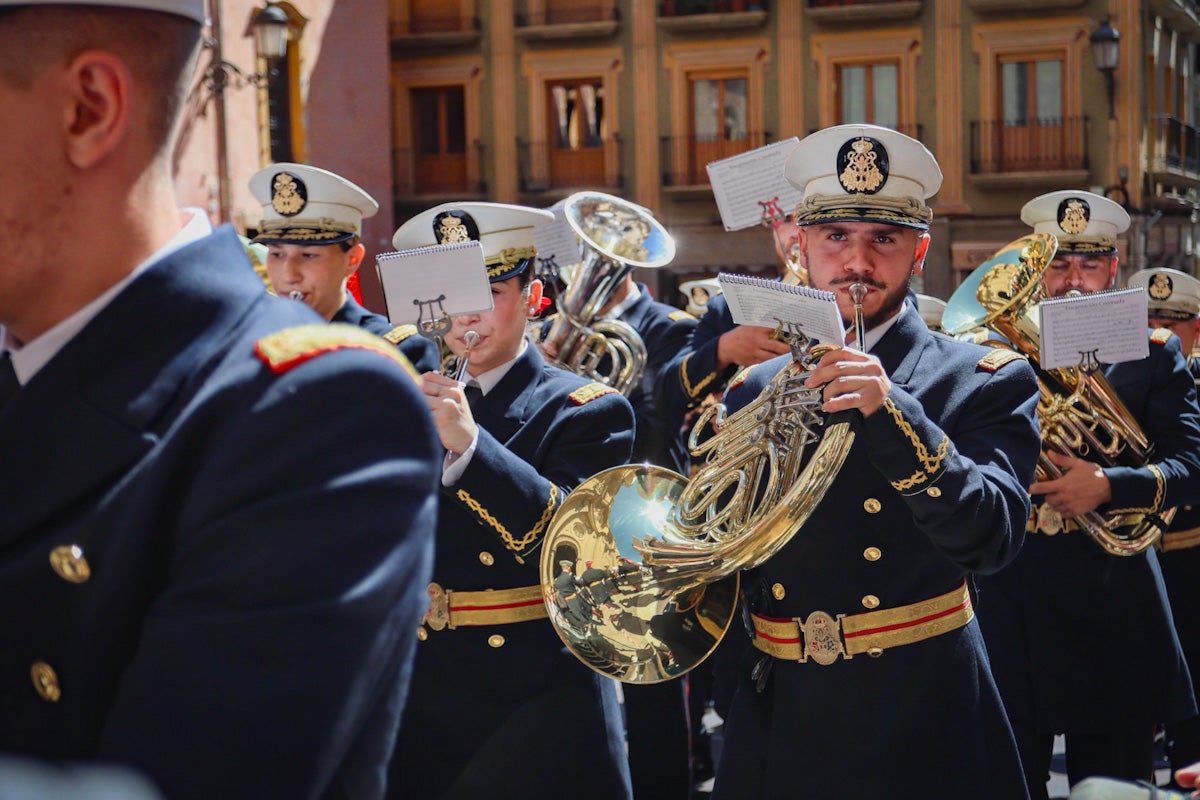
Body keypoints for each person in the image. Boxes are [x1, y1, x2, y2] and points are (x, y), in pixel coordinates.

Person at [0, 3, 440, 799]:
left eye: (308, 254)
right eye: (279, 252)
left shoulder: (318, 407)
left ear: (88, 109)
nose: (291, 270)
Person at [710, 124, 1041, 799]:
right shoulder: (752, 386)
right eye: (835, 237)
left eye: (882, 240)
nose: (856, 263)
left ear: (918, 251)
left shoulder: (983, 377)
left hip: (919, 712)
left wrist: (894, 415)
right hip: (782, 709)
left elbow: (994, 537)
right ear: (802, 245)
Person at [388, 202, 637, 800]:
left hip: (536, 701)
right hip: (418, 690)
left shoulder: (587, 408)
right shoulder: (403, 394)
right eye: (445, 295)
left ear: (533, 295)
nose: (464, 314)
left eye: (492, 290)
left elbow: (579, 557)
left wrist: (473, 447)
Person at [974, 191, 1200, 798]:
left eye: (1089, 264)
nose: (1073, 281)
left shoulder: (1155, 353)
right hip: (1014, 585)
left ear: (1114, 265)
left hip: (1113, 587)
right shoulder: (989, 355)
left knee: (1113, 782)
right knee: (1010, 777)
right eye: (1058, 264)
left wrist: (1107, 483)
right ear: (1032, 270)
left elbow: (1193, 465)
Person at [249, 162, 441, 373]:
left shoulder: (395, 351)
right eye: (277, 254)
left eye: (309, 255)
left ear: (352, 259)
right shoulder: (253, 345)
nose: (288, 274)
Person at [1128, 266, 1200, 777]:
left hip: (1191, 558)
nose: (1162, 332)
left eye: (1174, 323)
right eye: (1149, 319)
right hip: (1131, 557)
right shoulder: (1119, 374)